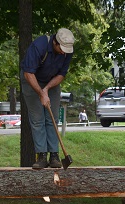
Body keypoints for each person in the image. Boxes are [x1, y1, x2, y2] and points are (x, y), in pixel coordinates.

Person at [20, 28, 75, 169]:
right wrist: (41, 93)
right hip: (32, 79)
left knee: (52, 118)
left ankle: (54, 155)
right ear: (55, 42)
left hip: (51, 81)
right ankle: (42, 156)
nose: (63, 52)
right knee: (38, 119)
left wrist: (47, 89)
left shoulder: (67, 51)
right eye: (61, 49)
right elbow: (28, 73)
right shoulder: (39, 46)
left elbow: (61, 75)